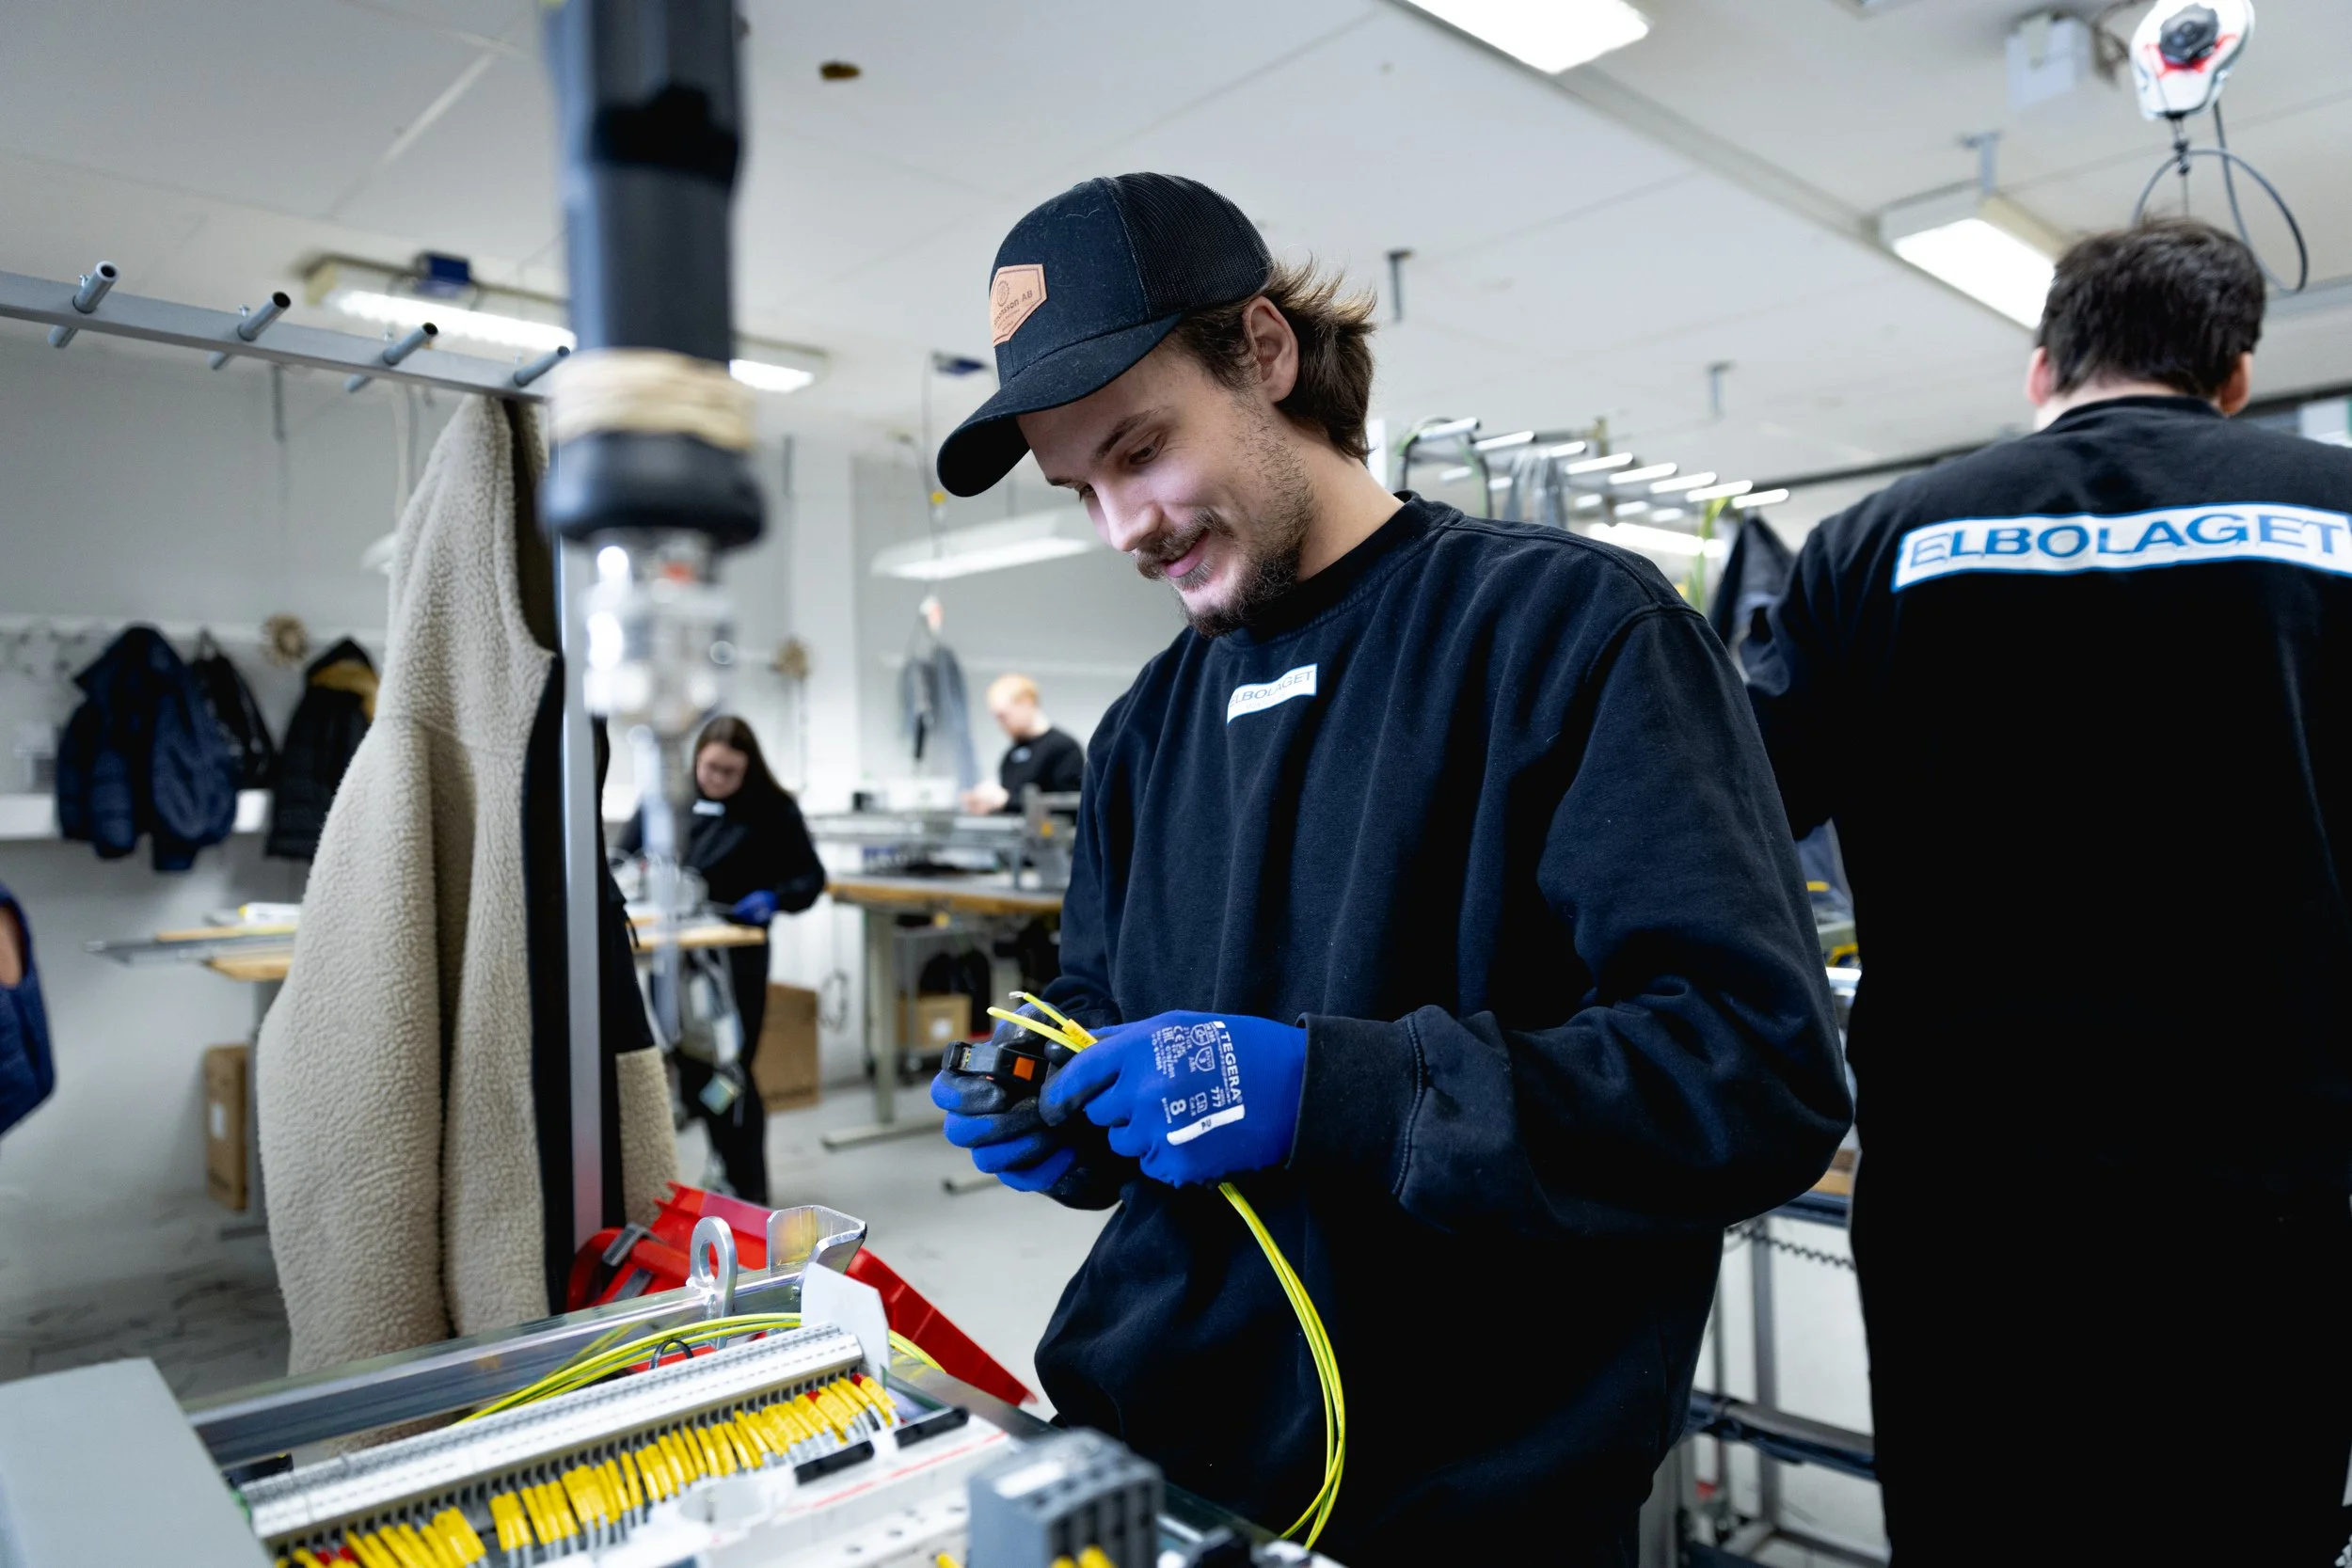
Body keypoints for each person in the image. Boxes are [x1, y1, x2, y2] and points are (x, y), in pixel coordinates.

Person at [927, 172, 1850, 1564]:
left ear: (1264, 352)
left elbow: (1754, 1071)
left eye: (1143, 450)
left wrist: (1335, 1089)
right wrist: (1059, 1105)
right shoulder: (1142, 733)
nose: (1124, 527)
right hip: (1154, 1461)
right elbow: (1112, 1011)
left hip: (1469, 1499)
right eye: (1085, 490)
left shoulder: (1568, 635)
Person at [1743, 218, 2352, 1564]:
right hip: (2274, 1201)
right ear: (2235, 375)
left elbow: (1726, 825)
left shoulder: (1872, 546)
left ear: (2042, 367)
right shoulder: (2339, 516)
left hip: (1973, 1204)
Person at [617, 715, 824, 1204]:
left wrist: (775, 897)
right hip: (677, 958)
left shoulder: (771, 810)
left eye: (729, 771)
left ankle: (749, 1190)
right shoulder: (668, 802)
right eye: (710, 768)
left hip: (734, 965)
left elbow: (809, 880)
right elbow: (620, 861)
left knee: (731, 1071)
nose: (716, 779)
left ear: (748, 770)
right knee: (689, 1066)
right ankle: (719, 1166)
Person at [959, 673, 1085, 815]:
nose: (1001, 724)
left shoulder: (1063, 748)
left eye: (1003, 716)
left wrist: (1005, 800)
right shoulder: (1010, 756)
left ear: (1026, 703)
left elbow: (1071, 807)